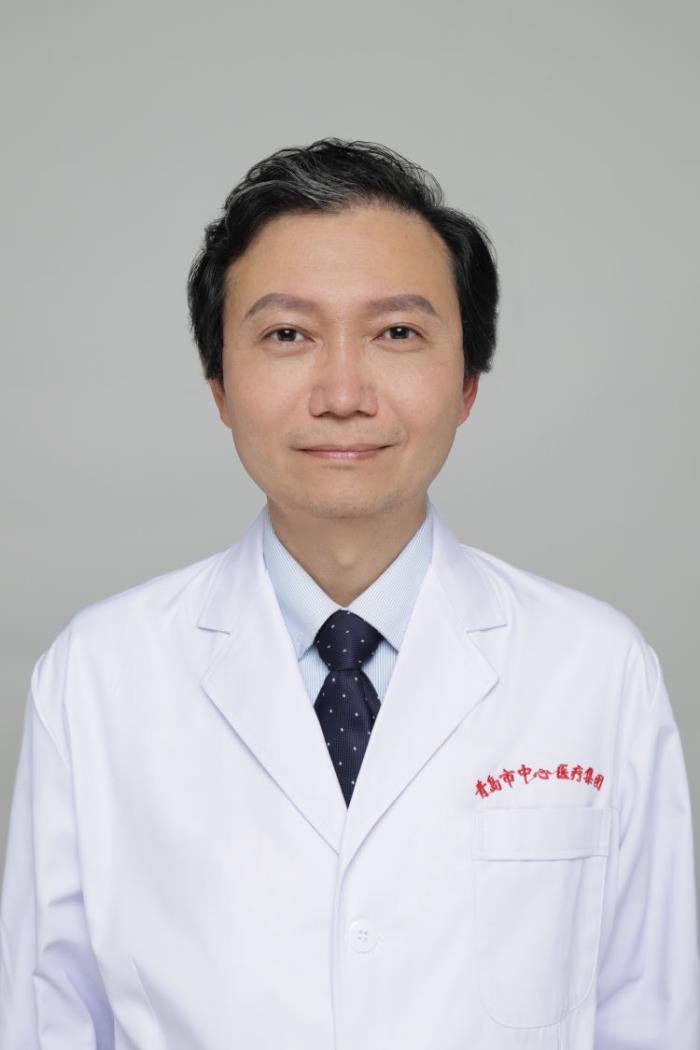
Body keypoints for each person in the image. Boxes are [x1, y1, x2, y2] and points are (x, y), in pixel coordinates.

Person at [1, 137, 698, 1049]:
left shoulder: (596, 669)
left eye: (397, 333)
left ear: (468, 382)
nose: (342, 393)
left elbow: (653, 1015)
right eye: (287, 335)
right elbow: (46, 1020)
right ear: (219, 384)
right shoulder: (97, 676)